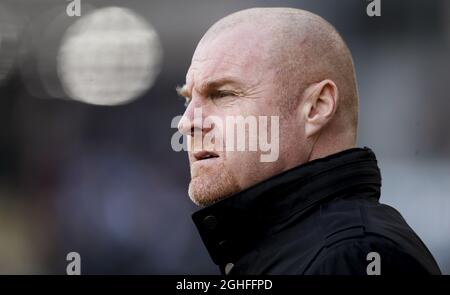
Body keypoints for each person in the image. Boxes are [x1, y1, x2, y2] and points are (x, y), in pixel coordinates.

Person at [176, 7, 441, 275]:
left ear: (317, 107)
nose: (187, 123)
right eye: (188, 99)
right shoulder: (300, 250)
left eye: (222, 94)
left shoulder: (352, 255)